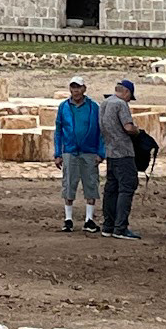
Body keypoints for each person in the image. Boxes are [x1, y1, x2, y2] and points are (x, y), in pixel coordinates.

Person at [52, 77, 103, 233]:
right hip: (70, 151)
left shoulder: (94, 107)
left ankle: (89, 219)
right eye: (73, 87)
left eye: (78, 87)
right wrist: (58, 153)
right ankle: (68, 219)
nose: (76, 91)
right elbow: (58, 131)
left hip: (89, 151)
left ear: (84, 89)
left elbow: (101, 131)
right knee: (68, 183)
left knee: (91, 184)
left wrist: (101, 152)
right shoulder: (64, 107)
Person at [100, 79, 144, 239]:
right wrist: (137, 131)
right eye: (130, 97)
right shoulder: (121, 104)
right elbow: (128, 127)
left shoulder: (105, 103)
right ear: (126, 92)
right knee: (127, 187)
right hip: (124, 152)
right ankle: (120, 227)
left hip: (110, 152)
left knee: (111, 189)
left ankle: (108, 225)